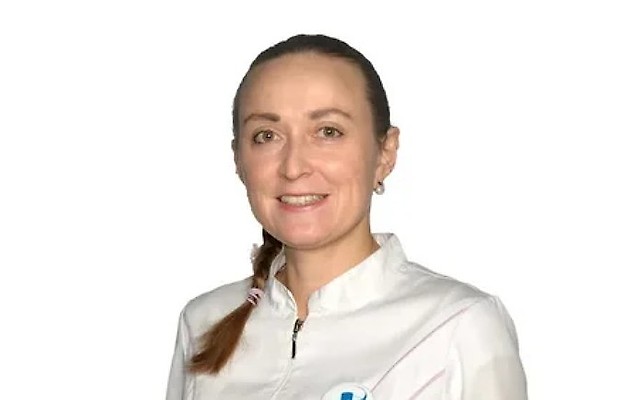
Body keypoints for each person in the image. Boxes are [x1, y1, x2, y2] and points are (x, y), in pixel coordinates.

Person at [165, 33, 527, 400]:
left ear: (385, 153)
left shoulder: (457, 326)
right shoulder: (202, 322)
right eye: (266, 135)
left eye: (328, 132)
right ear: (238, 159)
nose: (293, 167)